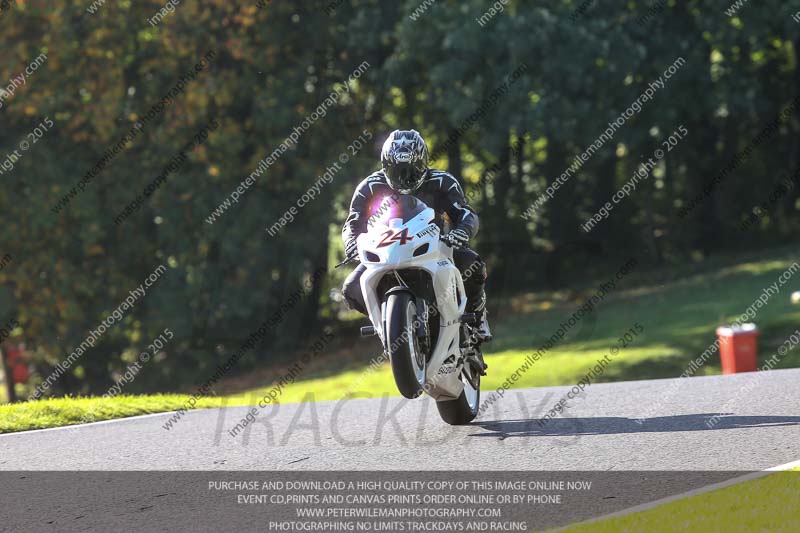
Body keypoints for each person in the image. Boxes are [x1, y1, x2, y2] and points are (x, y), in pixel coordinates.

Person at [341, 129, 491, 372]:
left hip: (435, 248)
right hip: (386, 252)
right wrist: (351, 243)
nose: (405, 179)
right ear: (385, 166)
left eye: (411, 170)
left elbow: (465, 213)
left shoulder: (442, 181)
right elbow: (352, 223)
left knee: (473, 265)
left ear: (424, 163)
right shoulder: (369, 186)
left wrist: (462, 231)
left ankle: (477, 319)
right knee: (351, 288)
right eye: (397, 172)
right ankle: (390, 326)